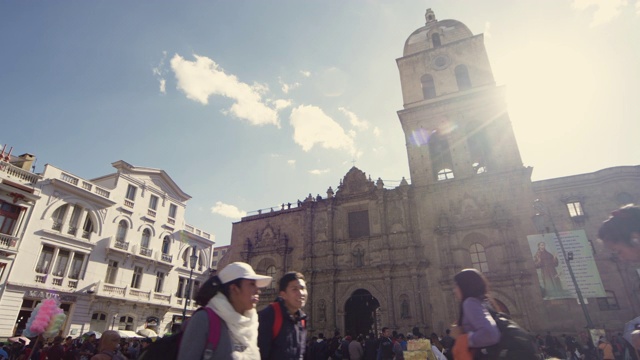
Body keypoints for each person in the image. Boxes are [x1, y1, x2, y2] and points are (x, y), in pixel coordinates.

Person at [178, 261, 272, 360]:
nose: (258, 290)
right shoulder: (203, 320)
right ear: (234, 289)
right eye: (252, 284)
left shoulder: (251, 325)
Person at [451, 268, 500, 360]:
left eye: (457, 286)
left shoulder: (470, 303)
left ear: (464, 286)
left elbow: (490, 334)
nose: (454, 290)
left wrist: (463, 338)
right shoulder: (484, 301)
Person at [258, 271, 308, 360]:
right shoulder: (269, 316)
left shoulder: (301, 320)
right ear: (283, 294)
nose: (301, 293)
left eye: (303, 288)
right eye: (294, 289)